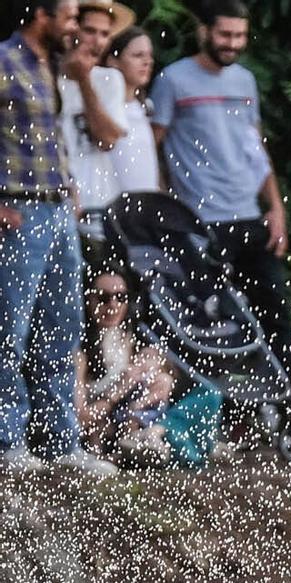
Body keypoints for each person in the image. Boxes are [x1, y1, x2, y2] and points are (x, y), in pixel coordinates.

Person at [152, 0, 291, 381]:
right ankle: (216, 420)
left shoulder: (245, 81)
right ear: (203, 31)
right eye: (225, 34)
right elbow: (153, 145)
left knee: (275, 315)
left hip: (250, 215)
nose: (233, 43)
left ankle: (290, 414)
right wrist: (164, 208)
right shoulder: (173, 80)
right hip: (202, 219)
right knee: (211, 322)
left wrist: (275, 207)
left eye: (240, 35)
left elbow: (255, 146)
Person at [0, 0, 115, 476]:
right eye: (68, 17)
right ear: (40, 15)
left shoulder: (52, 66)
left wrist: (68, 186)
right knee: (10, 328)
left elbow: (49, 136)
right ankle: (7, 441)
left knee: (61, 327)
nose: (76, 27)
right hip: (18, 210)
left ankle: (59, 440)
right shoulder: (4, 60)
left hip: (57, 208)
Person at [75, 261, 172, 456]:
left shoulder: (133, 339)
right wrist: (119, 390)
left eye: (121, 297)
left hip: (141, 421)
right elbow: (81, 419)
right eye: (103, 298)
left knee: (207, 394)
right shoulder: (80, 353)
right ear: (87, 301)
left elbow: (166, 380)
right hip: (105, 428)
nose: (113, 305)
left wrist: (157, 372)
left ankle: (152, 438)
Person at [59, 0, 127, 243]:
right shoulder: (43, 76)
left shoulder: (109, 79)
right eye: (89, 31)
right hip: (53, 203)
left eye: (105, 34)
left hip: (98, 205)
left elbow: (107, 139)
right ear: (72, 28)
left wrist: (84, 80)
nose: (97, 41)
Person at [107, 22, 158, 193]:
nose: (147, 62)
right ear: (113, 61)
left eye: (149, 55)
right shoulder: (104, 109)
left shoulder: (146, 107)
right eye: (138, 55)